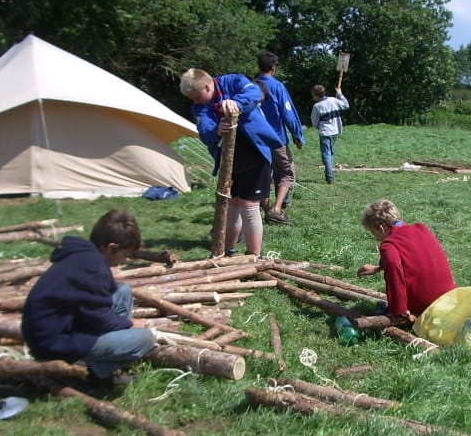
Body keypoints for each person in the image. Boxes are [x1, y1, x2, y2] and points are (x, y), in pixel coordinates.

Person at [21, 209, 157, 386]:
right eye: (124, 254)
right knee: (146, 338)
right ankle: (99, 372)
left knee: (123, 291)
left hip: (61, 327)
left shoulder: (84, 255)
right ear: (111, 248)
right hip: (53, 343)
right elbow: (98, 318)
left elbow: (94, 306)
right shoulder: (93, 266)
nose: (124, 260)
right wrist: (129, 324)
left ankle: (101, 357)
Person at [180, 68, 282, 255]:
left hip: (256, 153)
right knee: (233, 205)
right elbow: (205, 132)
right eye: (192, 99)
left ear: (208, 86)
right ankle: (228, 252)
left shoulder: (234, 81)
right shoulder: (199, 107)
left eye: (197, 97)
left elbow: (255, 93)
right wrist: (216, 131)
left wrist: (236, 103)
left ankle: (253, 257)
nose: (195, 102)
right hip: (229, 160)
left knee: (249, 206)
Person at [356, 199, 456, 324]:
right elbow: (413, 257)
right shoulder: (421, 229)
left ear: (381, 228)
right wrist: (378, 268)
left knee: (384, 309)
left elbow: (394, 276)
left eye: (373, 233)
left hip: (427, 305)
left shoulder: (388, 245)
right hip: (449, 297)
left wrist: (399, 310)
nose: (376, 238)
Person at [256, 50, 305, 224]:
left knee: (263, 174)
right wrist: (298, 135)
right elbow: (288, 112)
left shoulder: (251, 85)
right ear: (273, 68)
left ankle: (266, 209)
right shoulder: (277, 87)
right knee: (287, 172)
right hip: (276, 138)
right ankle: (276, 209)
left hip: (256, 139)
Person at [310, 82, 349, 184]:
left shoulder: (317, 106)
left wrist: (319, 127)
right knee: (330, 153)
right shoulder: (333, 100)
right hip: (335, 131)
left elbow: (314, 121)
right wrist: (340, 94)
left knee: (326, 155)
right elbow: (346, 105)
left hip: (325, 132)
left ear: (314, 95)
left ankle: (329, 176)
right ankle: (330, 173)